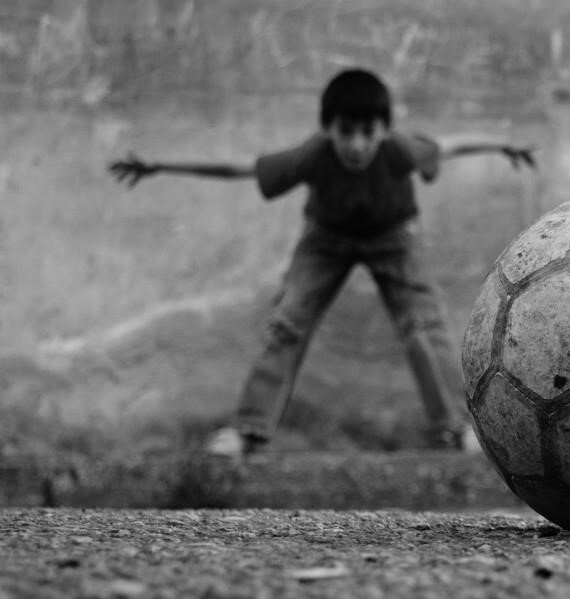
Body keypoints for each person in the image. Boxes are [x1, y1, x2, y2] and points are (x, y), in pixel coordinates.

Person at [109, 68, 534, 457]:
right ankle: (248, 429)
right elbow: (238, 168)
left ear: (384, 130)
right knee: (288, 323)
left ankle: (458, 429)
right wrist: (160, 167)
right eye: (345, 132)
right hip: (326, 240)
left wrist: (503, 147)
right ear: (327, 129)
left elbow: (451, 145)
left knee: (423, 325)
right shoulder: (312, 156)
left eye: (367, 132)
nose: (356, 145)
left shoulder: (400, 151)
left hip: (393, 238)